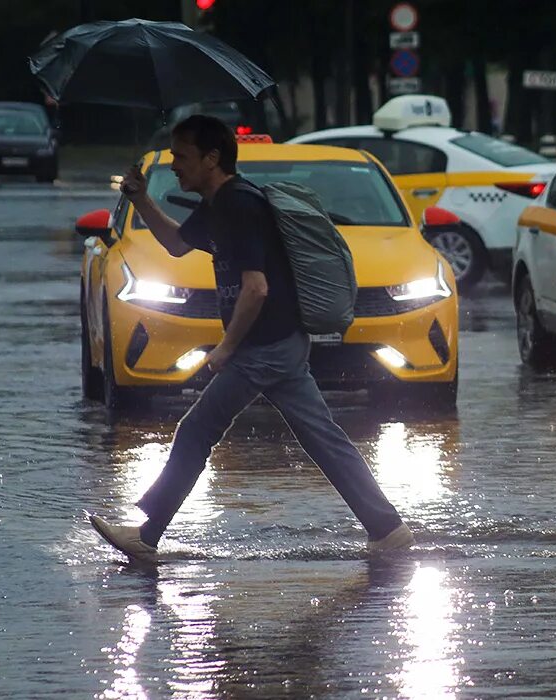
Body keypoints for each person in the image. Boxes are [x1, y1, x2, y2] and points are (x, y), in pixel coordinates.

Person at [89, 115, 414, 563]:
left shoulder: (239, 204)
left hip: (265, 346)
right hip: (280, 342)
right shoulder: (218, 204)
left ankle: (147, 535)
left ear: (212, 157)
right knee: (322, 436)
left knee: (196, 430)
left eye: (182, 156)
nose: (176, 165)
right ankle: (387, 528)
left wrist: (227, 347)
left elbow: (256, 286)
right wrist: (141, 198)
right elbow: (178, 244)